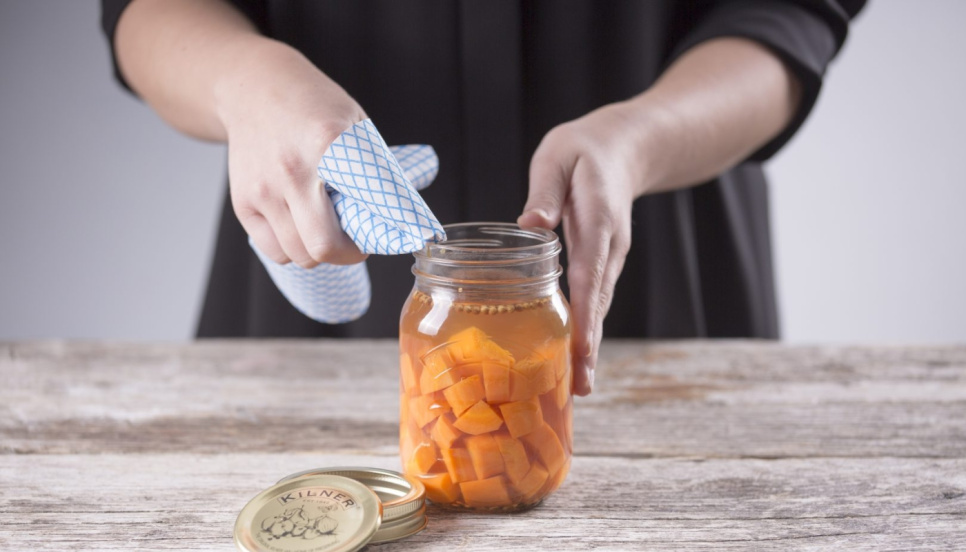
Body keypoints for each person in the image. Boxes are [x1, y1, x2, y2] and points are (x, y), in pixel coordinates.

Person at [102, 0, 864, 395]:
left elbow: (791, 12)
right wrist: (244, 81)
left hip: (649, 253)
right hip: (305, 254)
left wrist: (641, 137)